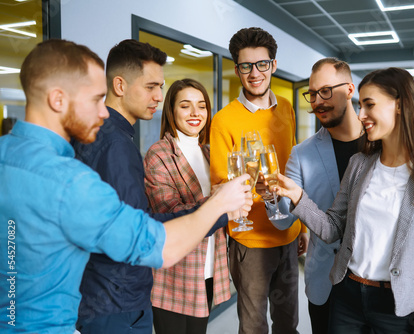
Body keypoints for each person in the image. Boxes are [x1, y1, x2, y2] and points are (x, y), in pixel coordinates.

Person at [0, 39, 251, 334]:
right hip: (101, 308)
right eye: (95, 99)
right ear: (57, 100)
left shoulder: (10, 153)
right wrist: (220, 205)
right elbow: (157, 245)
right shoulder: (71, 180)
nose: (104, 112)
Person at [273, 67, 414, 334]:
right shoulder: (360, 164)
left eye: (369, 105)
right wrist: (297, 197)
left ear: (400, 105)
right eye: (360, 105)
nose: (361, 115)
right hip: (346, 298)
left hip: (396, 307)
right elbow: (331, 228)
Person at [71, 40, 234, 334]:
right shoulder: (118, 147)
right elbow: (139, 233)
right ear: (119, 85)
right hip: (118, 298)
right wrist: (219, 207)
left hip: (112, 294)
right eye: (151, 87)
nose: (158, 95)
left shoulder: (109, 137)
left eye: (160, 87)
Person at [210, 27, 307, 334]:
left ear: (273, 65)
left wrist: (301, 224)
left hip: (289, 234)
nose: (255, 73)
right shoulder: (224, 120)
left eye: (262, 64)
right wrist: (256, 194)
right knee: (253, 327)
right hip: (249, 240)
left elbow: (294, 171)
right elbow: (219, 186)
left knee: (288, 323)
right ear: (237, 69)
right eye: (246, 66)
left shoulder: (287, 109)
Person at [258, 57, 365, 334]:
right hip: (325, 281)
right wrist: (270, 197)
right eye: (313, 93)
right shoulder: (302, 153)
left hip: (372, 279)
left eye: (326, 91)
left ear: (350, 89)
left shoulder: (378, 142)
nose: (318, 101)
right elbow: (283, 221)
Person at [143, 79, 230, 333]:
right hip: (175, 275)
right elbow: (172, 214)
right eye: (186, 106)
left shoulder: (210, 154)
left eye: (201, 106)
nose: (195, 113)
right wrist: (222, 201)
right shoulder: (158, 154)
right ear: (172, 111)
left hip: (208, 268)